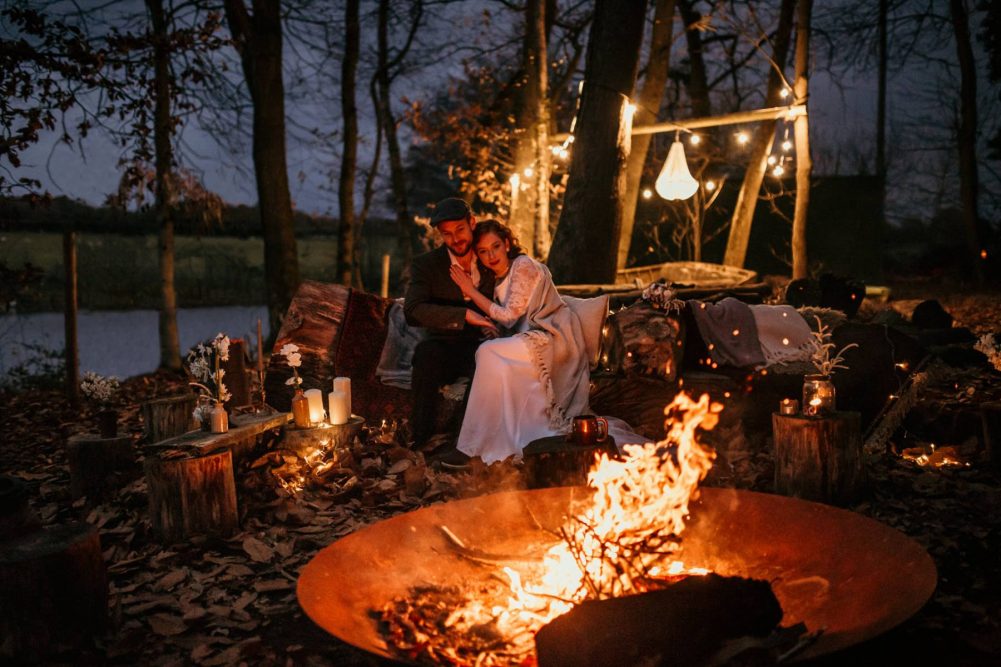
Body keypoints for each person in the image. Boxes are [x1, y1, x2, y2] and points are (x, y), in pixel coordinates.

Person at [449, 220, 591, 464]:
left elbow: (510, 315)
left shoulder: (523, 266)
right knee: (493, 358)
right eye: (483, 251)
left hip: (552, 338)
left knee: (487, 353)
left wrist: (470, 291)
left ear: (506, 243)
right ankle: (497, 447)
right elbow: (509, 324)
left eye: (495, 246)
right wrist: (495, 332)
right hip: (526, 340)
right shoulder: (496, 281)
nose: (491, 255)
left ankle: (469, 448)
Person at [403, 198, 497, 450]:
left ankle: (461, 444)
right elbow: (412, 310)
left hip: (483, 346)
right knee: (425, 354)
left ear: (472, 224)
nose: (456, 239)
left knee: (489, 362)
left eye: (460, 230)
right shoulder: (427, 265)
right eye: (447, 234)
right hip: (443, 343)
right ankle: (419, 438)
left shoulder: (490, 257)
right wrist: (463, 315)